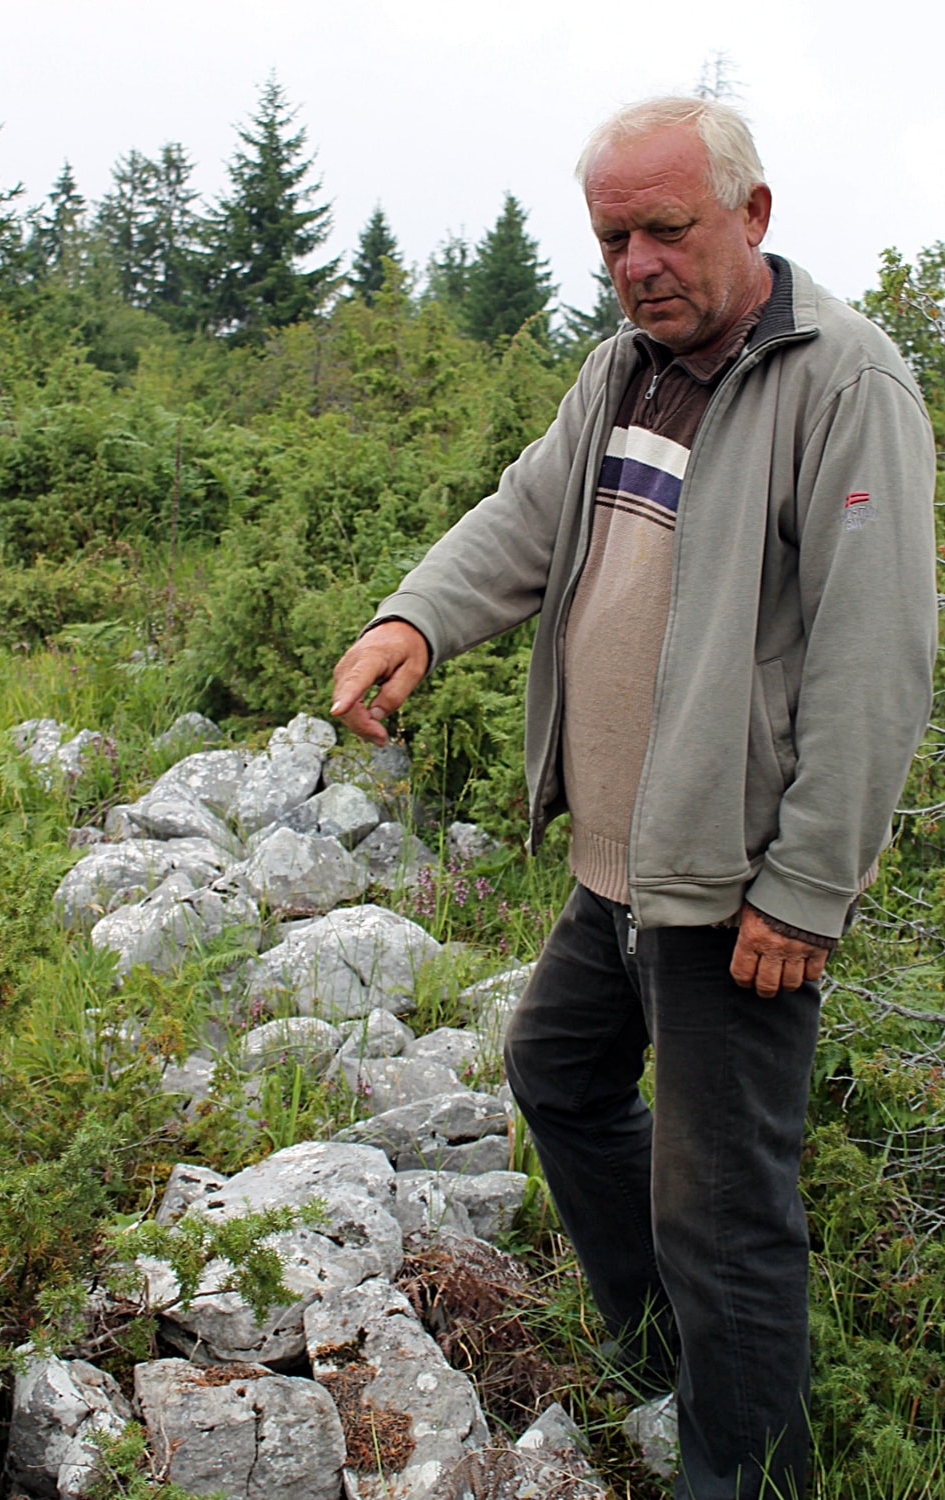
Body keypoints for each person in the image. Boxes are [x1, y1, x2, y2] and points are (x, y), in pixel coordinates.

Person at [330, 97, 938, 1499]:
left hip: (729, 890)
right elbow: (529, 514)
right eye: (614, 235)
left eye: (667, 227)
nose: (638, 260)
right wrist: (414, 620)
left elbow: (874, 661)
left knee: (725, 1209)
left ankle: (747, 1470)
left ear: (754, 216)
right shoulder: (624, 371)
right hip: (620, 869)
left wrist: (805, 886)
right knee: (558, 1074)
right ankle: (661, 1350)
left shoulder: (846, 385)